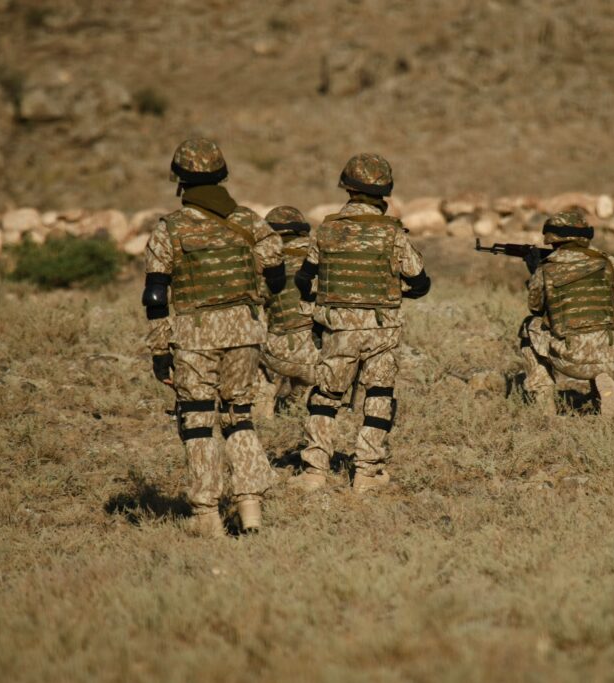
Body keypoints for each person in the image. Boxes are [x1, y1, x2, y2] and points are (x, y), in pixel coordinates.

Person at [142, 138, 285, 537]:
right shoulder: (251, 221)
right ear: (222, 175)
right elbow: (276, 275)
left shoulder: (169, 228)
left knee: (199, 421)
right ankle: (250, 506)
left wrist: (159, 350)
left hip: (193, 335)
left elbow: (155, 295)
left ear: (180, 181)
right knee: (239, 415)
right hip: (244, 330)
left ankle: (206, 516)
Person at [291, 153, 430, 493]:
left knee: (325, 396)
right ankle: (367, 474)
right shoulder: (393, 233)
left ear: (348, 189)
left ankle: (314, 473)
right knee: (379, 396)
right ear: (385, 192)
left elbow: (303, 278)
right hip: (383, 329)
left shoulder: (327, 229)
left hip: (339, 330)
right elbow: (421, 281)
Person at [520, 210, 614, 416]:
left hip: (572, 359)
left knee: (529, 326)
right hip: (613, 356)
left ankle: (544, 404)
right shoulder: (609, 262)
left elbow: (535, 307)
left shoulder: (546, 268)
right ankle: (606, 385)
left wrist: (534, 272)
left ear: (551, 237)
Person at [251, 206, 319, 417]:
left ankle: (262, 414)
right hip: (321, 356)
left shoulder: (263, 258)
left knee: (255, 352)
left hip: (281, 354)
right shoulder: (320, 252)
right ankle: (295, 406)